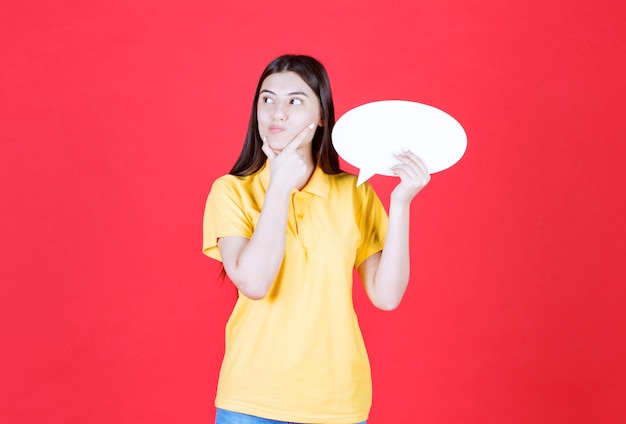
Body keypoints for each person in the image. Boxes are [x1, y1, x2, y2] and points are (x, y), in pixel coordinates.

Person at [202, 54, 431, 424]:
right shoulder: (232, 191)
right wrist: (278, 186)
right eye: (267, 99)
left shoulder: (354, 193)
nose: (277, 112)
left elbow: (386, 297)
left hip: (337, 402)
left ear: (322, 114)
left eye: (294, 101)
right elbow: (254, 283)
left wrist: (401, 202)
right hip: (252, 400)